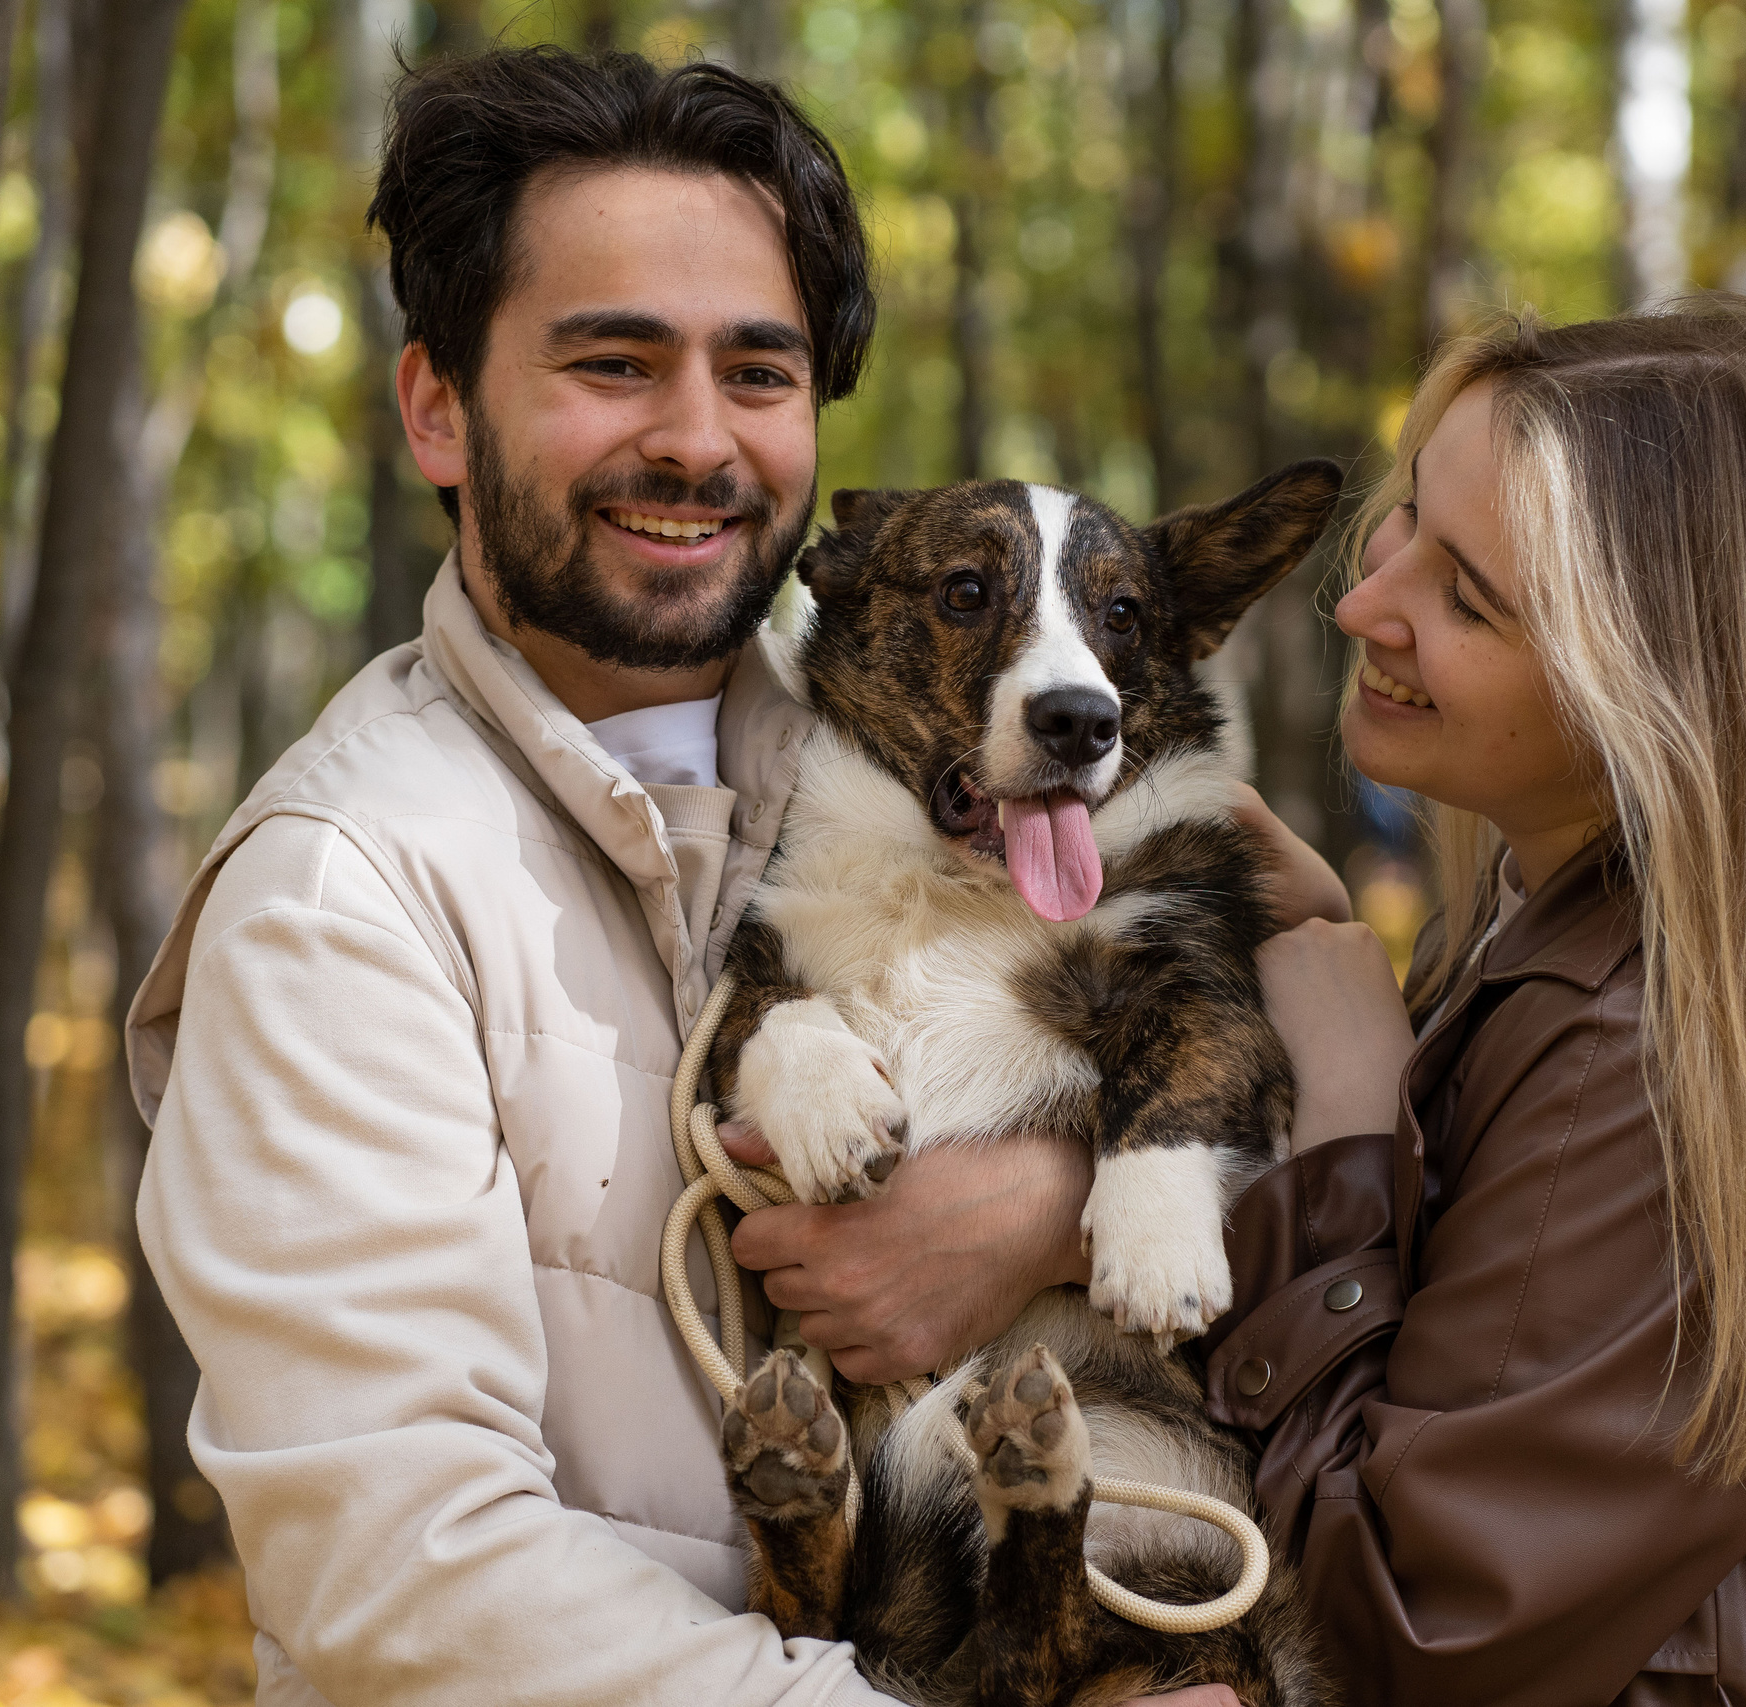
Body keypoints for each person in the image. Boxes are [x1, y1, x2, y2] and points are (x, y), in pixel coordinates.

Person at [126, 45, 1263, 1706]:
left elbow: (1285, 1044)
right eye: (612, 361)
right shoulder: (342, 893)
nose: (694, 439)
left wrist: (1043, 1215)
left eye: (758, 371)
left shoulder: (928, 766)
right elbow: (401, 1574)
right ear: (437, 407)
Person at [735, 298, 1746, 1705]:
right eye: (1404, 519)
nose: (1362, 605)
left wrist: (1344, 1129)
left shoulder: (1655, 1065)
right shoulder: (1543, 938)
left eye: (1466, 596)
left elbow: (1421, 1634)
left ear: (1650, 687)